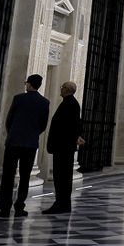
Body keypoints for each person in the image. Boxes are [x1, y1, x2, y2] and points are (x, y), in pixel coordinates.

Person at [0, 74, 50, 217]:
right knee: (25, 176)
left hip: (14, 142)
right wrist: (32, 134)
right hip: (30, 144)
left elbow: (9, 120)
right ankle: (19, 206)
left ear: (28, 84)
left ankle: (4, 208)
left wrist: (13, 133)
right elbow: (43, 125)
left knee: (8, 175)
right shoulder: (44, 102)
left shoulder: (18, 98)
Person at [43, 81, 84, 215]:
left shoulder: (70, 103)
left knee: (62, 177)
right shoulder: (70, 103)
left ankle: (62, 203)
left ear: (67, 89)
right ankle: (62, 203)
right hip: (64, 146)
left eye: (62, 87)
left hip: (63, 147)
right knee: (62, 176)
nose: (60, 89)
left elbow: (71, 126)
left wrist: (73, 138)